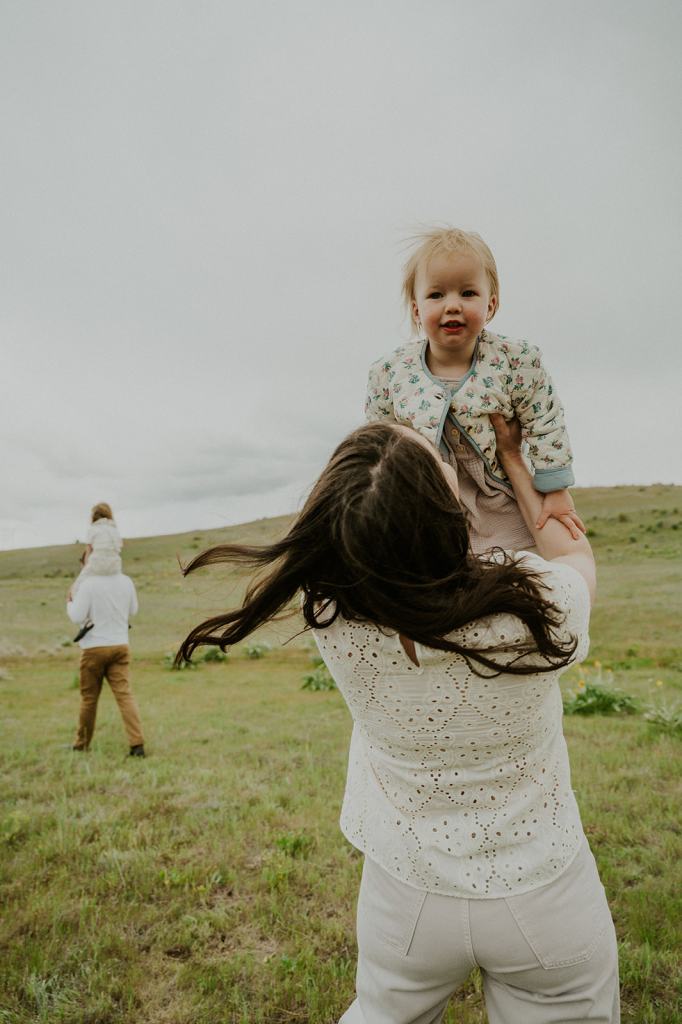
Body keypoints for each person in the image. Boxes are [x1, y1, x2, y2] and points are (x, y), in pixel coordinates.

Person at [175, 419, 619, 1023]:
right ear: (446, 510)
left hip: (407, 893)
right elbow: (572, 553)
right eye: (440, 468)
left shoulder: (333, 617)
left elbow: (363, 534)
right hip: (543, 891)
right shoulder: (535, 603)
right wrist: (514, 461)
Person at [366, 226, 586, 554]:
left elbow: (546, 419)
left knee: (512, 565)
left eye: (468, 293)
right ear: (416, 310)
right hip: (428, 501)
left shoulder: (515, 361)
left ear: (491, 305)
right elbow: (377, 439)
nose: (452, 305)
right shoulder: (390, 372)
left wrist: (554, 487)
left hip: (497, 495)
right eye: (436, 295)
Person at [67, 570, 145, 757]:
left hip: (94, 647)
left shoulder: (88, 584)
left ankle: (81, 744)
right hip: (120, 644)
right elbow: (133, 610)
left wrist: (69, 601)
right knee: (124, 695)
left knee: (89, 698)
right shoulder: (126, 581)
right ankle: (137, 745)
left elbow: (77, 616)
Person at [68, 502, 124, 637]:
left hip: (97, 563)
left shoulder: (93, 529)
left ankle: (87, 621)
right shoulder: (115, 530)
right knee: (119, 588)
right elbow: (119, 548)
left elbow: (89, 551)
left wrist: (86, 568)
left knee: (76, 588)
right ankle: (121, 618)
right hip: (115, 565)